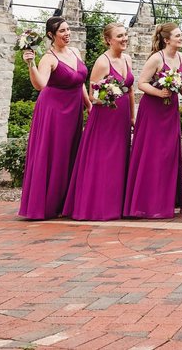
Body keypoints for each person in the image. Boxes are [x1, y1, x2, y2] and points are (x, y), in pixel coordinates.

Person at [19, 16, 91, 220]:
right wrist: (31, 64)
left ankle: (65, 203)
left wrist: (88, 104)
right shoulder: (48, 58)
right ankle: (47, 205)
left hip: (74, 109)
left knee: (71, 153)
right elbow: (41, 84)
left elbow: (80, 82)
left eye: (68, 30)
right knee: (54, 154)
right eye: (62, 31)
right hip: (53, 111)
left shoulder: (75, 52)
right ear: (51, 35)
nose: (67, 34)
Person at [63, 22, 134, 221]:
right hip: (105, 117)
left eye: (125, 35)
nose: (124, 39)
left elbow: (130, 91)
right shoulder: (103, 62)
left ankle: (117, 206)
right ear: (108, 40)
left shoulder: (127, 59)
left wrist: (132, 116)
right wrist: (108, 95)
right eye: (119, 36)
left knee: (120, 159)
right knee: (103, 160)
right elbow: (93, 94)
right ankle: (97, 206)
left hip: (121, 118)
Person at [124, 23, 182, 219]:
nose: (181, 38)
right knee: (152, 154)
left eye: (181, 35)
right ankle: (147, 203)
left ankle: (167, 201)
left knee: (169, 153)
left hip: (170, 111)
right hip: (153, 111)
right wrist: (160, 93)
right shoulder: (156, 58)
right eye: (178, 36)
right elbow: (141, 83)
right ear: (166, 40)